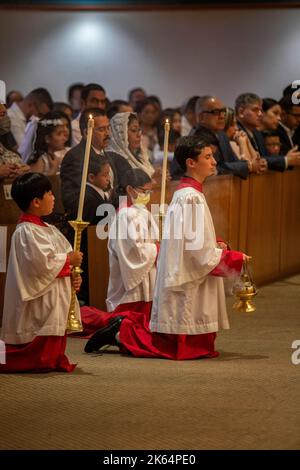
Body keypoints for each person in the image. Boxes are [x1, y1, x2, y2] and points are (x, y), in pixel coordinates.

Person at [85, 136, 249, 359]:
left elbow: (189, 239)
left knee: (185, 342)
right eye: (208, 157)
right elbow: (197, 252)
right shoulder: (189, 197)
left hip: (184, 269)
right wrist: (232, 258)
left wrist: (216, 244)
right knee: (172, 345)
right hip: (186, 275)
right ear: (191, 163)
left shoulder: (188, 194)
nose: (213, 162)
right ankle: (123, 332)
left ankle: (124, 330)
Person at [0, 172, 83, 373]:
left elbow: (62, 258)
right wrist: (68, 260)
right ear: (36, 202)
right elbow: (40, 267)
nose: (54, 197)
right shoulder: (26, 232)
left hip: (55, 294)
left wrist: (74, 274)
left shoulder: (48, 228)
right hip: (39, 298)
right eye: (49, 193)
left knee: (48, 356)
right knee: (33, 357)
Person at [82, 168, 158, 344]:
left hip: (148, 282)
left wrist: (158, 247)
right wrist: (157, 249)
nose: (147, 195)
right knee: (135, 329)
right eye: (144, 191)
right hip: (130, 290)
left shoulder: (144, 212)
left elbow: (152, 243)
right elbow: (133, 254)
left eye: (149, 191)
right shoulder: (124, 216)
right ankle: (106, 326)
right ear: (131, 190)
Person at [106, 112, 154, 177]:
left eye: (139, 130)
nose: (139, 135)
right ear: (120, 134)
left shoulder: (139, 156)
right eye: (134, 130)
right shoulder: (113, 160)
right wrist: (154, 179)